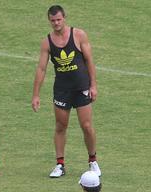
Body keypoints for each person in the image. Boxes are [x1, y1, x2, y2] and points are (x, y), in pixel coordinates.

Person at [32, 5, 100, 178]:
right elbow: (41, 69)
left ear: (64, 18)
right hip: (62, 90)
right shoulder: (47, 42)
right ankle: (60, 164)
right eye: (53, 20)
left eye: (58, 20)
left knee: (86, 126)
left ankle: (93, 161)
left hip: (81, 88)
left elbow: (89, 61)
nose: (56, 23)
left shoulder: (79, 35)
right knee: (61, 126)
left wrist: (93, 85)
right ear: (49, 21)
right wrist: (36, 95)